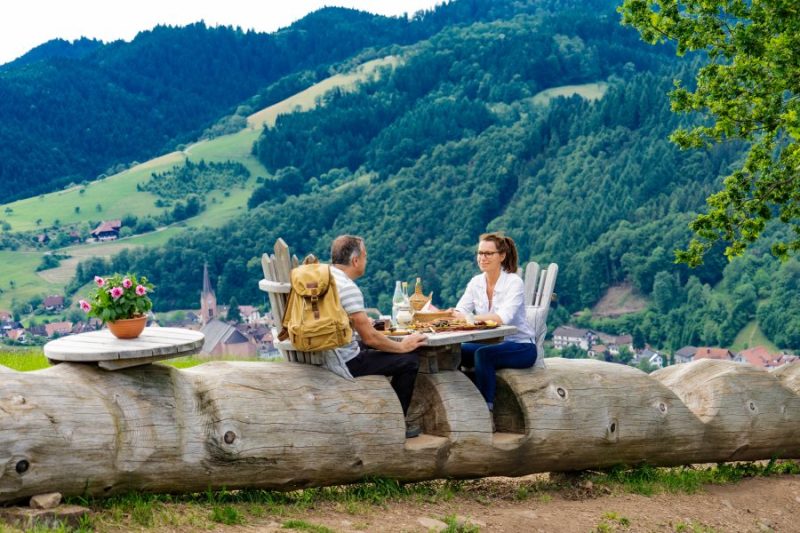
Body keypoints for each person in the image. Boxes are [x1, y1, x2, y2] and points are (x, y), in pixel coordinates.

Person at [328, 235, 428, 438]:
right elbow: (370, 338)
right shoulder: (347, 287)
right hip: (342, 361)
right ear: (355, 260)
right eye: (365, 256)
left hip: (323, 352)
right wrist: (402, 346)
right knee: (409, 360)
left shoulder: (324, 278)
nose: (366, 260)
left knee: (377, 349)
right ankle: (396, 424)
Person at [453, 232, 537, 423]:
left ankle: (486, 413)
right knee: (454, 352)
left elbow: (502, 318)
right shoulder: (476, 282)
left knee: (483, 355)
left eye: (488, 253)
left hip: (521, 346)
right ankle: (459, 404)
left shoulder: (514, 282)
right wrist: (453, 314)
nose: (482, 257)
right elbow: (460, 310)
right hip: (491, 344)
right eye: (480, 253)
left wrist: (467, 318)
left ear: (502, 256)